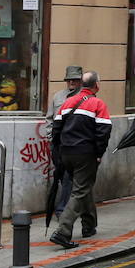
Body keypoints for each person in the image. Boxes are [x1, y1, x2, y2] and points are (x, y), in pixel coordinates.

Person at [49, 70, 111, 249]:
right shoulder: (98, 104)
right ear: (96, 85)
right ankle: (63, 231)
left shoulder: (67, 102)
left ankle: (89, 225)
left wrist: (58, 152)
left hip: (66, 153)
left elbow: (56, 128)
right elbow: (103, 132)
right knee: (80, 190)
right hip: (85, 153)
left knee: (83, 186)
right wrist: (99, 153)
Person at [46, 65, 83, 216]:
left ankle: (63, 209)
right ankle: (74, 205)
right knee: (61, 175)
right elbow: (50, 118)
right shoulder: (58, 96)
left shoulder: (85, 97)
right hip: (58, 144)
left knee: (68, 176)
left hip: (75, 145)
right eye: (69, 80)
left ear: (80, 80)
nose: (71, 83)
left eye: (74, 80)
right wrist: (50, 138)